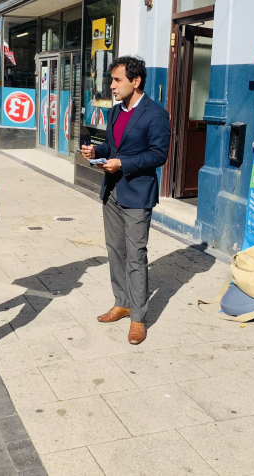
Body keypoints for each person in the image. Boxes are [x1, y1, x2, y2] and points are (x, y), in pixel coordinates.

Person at [81, 56, 171, 345]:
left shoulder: (156, 114)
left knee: (136, 254)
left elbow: (159, 155)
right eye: (112, 80)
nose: (112, 85)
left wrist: (123, 163)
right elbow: (112, 144)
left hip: (137, 192)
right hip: (112, 191)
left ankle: (138, 318)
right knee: (115, 250)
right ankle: (122, 302)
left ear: (136, 81)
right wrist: (97, 153)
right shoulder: (116, 111)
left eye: (117, 80)